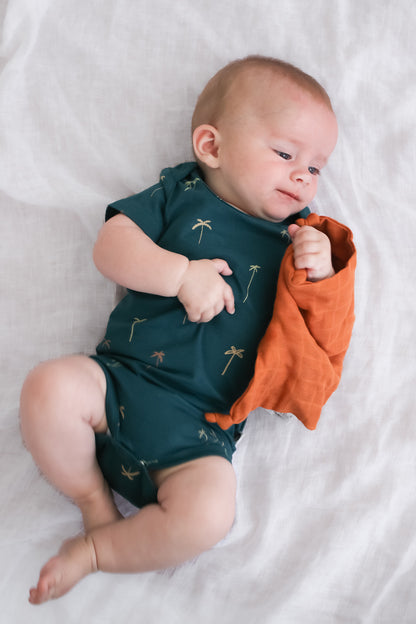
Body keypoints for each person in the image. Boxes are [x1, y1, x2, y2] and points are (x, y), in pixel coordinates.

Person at [20, 55, 340, 604]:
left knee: (213, 515)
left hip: (200, 431)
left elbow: (322, 337)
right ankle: (94, 501)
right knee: (47, 387)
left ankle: (98, 550)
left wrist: (324, 272)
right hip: (117, 382)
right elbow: (110, 247)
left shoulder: (299, 241)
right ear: (211, 147)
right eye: (286, 153)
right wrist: (178, 275)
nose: (302, 175)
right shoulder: (179, 192)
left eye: (316, 167)